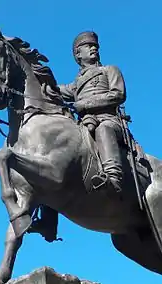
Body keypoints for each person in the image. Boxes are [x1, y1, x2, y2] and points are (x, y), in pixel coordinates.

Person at [59, 31, 126, 195]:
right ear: (78, 54)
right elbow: (58, 90)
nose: (94, 48)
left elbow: (118, 95)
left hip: (109, 120)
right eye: (88, 46)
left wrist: (85, 104)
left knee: (103, 129)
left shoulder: (109, 70)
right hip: (85, 123)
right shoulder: (76, 84)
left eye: (95, 45)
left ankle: (113, 177)